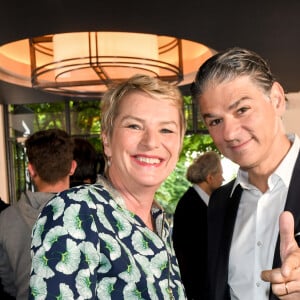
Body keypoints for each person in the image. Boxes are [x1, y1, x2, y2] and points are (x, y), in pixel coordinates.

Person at [29, 74, 188, 299]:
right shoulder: (75, 210)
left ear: (179, 143)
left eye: (166, 130)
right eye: (134, 126)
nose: (151, 142)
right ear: (107, 141)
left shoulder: (159, 222)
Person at [190, 47, 300, 300]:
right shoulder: (220, 202)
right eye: (215, 121)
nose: (229, 133)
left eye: (242, 110)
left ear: (276, 99)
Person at [0, 128, 76, 300]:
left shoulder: (5, 219)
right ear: (72, 167)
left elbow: (7, 280)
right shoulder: (92, 214)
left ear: (31, 170)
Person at [172, 151, 224, 299]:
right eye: (220, 174)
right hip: (196, 288)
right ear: (210, 177)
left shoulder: (201, 201)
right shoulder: (190, 204)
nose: (223, 179)